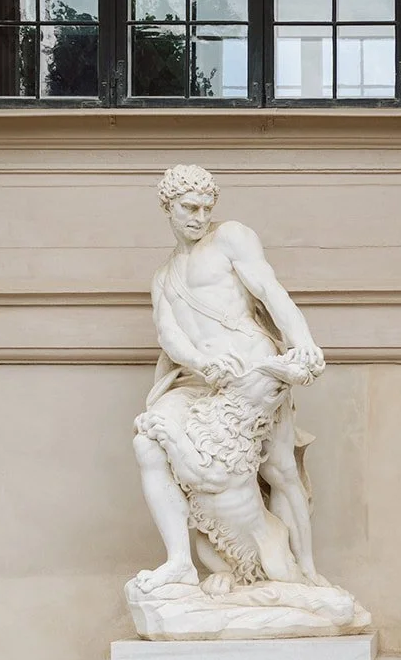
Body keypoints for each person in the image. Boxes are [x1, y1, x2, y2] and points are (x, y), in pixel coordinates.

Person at [132, 163, 327, 592]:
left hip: (253, 367)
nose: (199, 217)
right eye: (189, 207)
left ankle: (308, 571)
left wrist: (303, 343)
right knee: (147, 441)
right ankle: (180, 561)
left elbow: (271, 291)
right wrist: (202, 364)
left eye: (206, 207)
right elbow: (170, 335)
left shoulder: (231, 237)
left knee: (278, 470)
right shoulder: (163, 277)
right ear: (168, 206)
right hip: (201, 380)